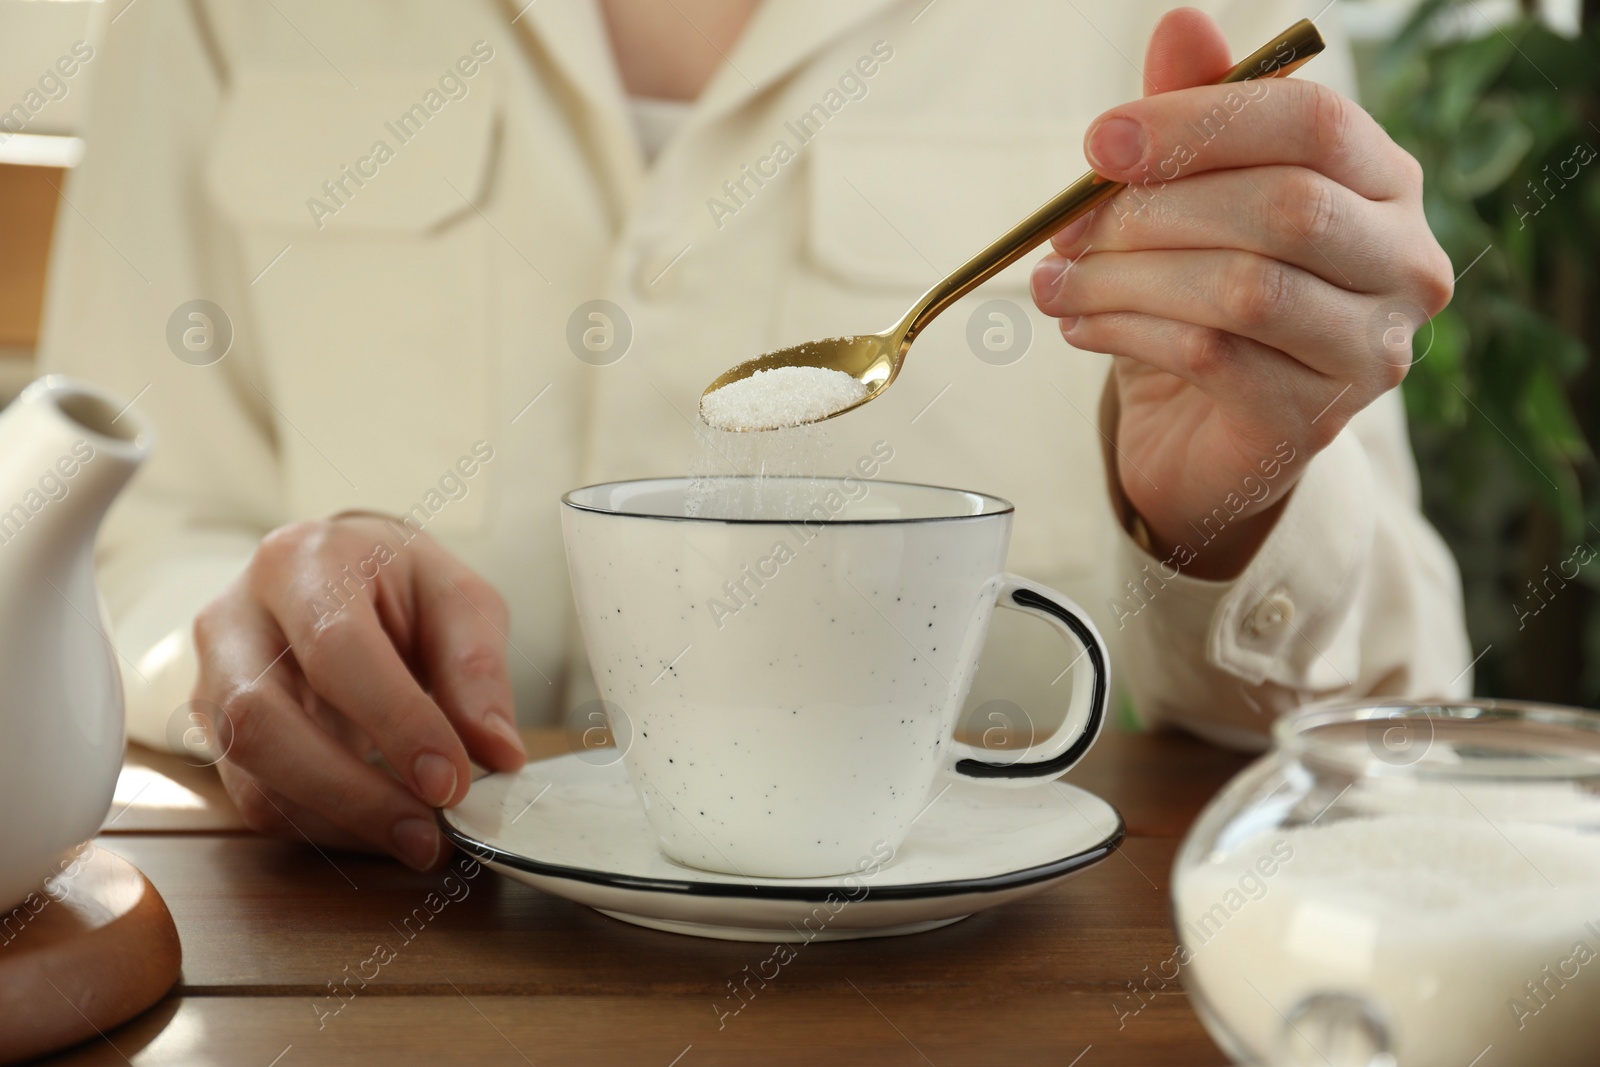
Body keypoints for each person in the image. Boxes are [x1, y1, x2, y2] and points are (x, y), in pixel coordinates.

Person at [38, 0, 1467, 871]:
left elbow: (1402, 707)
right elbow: (108, 538)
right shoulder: (210, 11)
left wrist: (1231, 516)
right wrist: (236, 636)